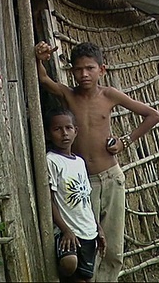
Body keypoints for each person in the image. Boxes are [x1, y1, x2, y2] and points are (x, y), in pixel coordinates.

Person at [36, 41, 159, 282]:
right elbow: (43, 81)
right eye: (78, 69)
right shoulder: (68, 95)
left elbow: (152, 115)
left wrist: (125, 141)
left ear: (101, 70)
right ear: (71, 71)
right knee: (90, 242)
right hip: (84, 184)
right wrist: (40, 59)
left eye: (90, 68)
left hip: (112, 177)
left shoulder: (109, 95)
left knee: (113, 246)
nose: (84, 74)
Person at [45, 108, 106, 282]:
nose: (64, 133)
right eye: (57, 129)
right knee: (69, 263)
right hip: (68, 231)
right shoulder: (51, 160)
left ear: (75, 131)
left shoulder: (80, 162)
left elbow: (85, 200)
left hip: (88, 231)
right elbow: (49, 199)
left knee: (84, 278)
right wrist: (65, 230)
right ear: (49, 134)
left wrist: (98, 228)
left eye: (68, 128)